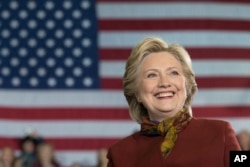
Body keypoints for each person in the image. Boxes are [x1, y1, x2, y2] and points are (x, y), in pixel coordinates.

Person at [107, 37, 241, 167]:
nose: (164, 83)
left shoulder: (221, 133)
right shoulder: (119, 155)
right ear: (137, 93)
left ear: (186, 85)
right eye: (152, 75)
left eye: (173, 73)